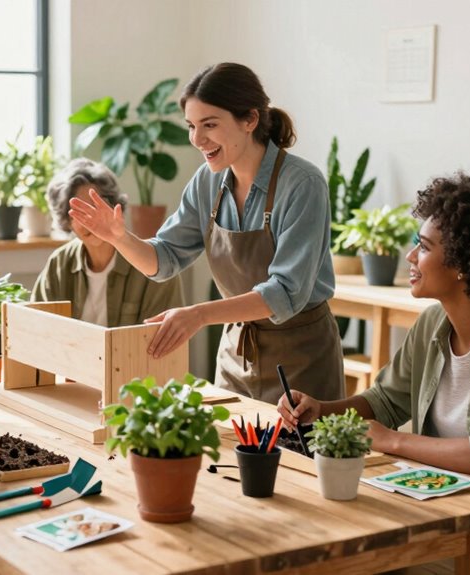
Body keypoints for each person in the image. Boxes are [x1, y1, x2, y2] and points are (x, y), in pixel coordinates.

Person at [278, 174, 470, 574]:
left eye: (423, 247)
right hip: (432, 515)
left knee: (361, 566)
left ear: (463, 263)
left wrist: (393, 441)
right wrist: (322, 409)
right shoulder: (432, 324)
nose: (410, 257)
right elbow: (385, 401)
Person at [69, 63, 343, 403]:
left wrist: (198, 315)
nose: (197, 139)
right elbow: (164, 260)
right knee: (228, 455)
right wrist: (119, 237)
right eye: (191, 126)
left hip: (302, 359)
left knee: (297, 457)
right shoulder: (207, 181)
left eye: (210, 125)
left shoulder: (303, 184)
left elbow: (285, 293)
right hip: (235, 357)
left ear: (250, 120)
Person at [31, 158, 184, 326]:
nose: (91, 221)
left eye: (96, 207)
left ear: (115, 208)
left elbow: (163, 341)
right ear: (66, 220)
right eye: (79, 212)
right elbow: (38, 327)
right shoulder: (59, 264)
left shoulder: (153, 264)